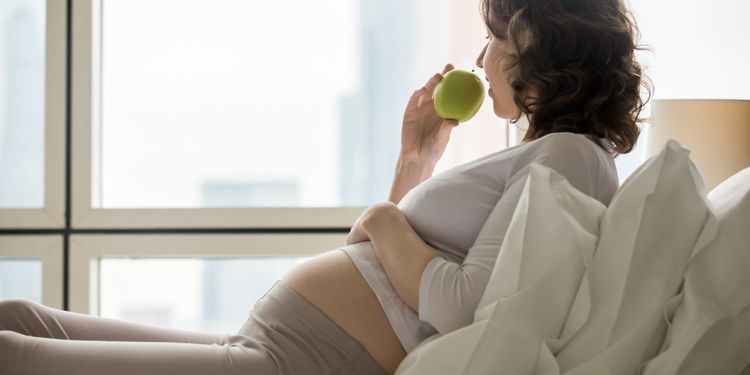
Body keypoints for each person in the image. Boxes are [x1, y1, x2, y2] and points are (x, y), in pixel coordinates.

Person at [0, 0, 651, 374]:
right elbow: (386, 268)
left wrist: (382, 215)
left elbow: (457, 306)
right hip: (284, 343)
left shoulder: (570, 157)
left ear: (535, 43)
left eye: (492, 37)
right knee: (20, 320)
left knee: (16, 354)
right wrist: (414, 162)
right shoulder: (552, 154)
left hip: (308, 361)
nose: (480, 60)